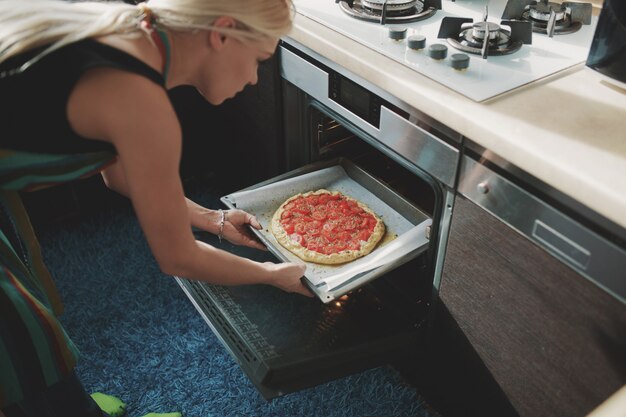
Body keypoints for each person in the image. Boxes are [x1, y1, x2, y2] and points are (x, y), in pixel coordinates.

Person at [0, 0, 313, 415]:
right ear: (221, 34)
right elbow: (178, 257)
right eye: (259, 59)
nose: (256, 78)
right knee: (21, 346)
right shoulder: (141, 102)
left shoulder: (130, 30)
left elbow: (119, 175)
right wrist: (272, 274)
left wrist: (213, 220)